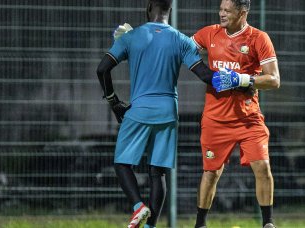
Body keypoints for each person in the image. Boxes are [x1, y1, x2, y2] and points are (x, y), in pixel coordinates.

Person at [96, 0, 220, 227]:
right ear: (170, 10)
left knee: (122, 164)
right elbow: (206, 76)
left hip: (139, 110)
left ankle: (138, 206)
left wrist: (114, 102)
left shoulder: (130, 37)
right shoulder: (181, 40)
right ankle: (151, 226)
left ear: (149, 6)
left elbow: (102, 69)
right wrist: (241, 79)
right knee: (158, 173)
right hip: (167, 113)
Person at [191, 0, 281, 227]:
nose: (221, 14)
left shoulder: (259, 38)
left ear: (242, 12)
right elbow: (181, 47)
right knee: (211, 173)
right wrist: (137, 41)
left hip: (248, 118)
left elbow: (274, 79)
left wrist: (242, 79)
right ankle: (200, 224)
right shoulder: (209, 34)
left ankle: (267, 223)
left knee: (262, 166)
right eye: (220, 9)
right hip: (215, 119)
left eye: (227, 11)